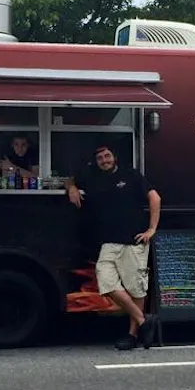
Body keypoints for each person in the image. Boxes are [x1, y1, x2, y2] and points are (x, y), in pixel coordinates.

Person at [66, 146, 161, 350]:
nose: (104, 160)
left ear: (115, 157)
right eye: (100, 158)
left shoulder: (131, 175)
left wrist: (152, 229)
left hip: (133, 241)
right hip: (108, 243)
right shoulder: (92, 177)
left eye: (107, 156)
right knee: (105, 282)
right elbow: (70, 179)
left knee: (136, 289)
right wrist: (71, 188)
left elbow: (155, 198)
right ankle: (143, 320)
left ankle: (132, 335)